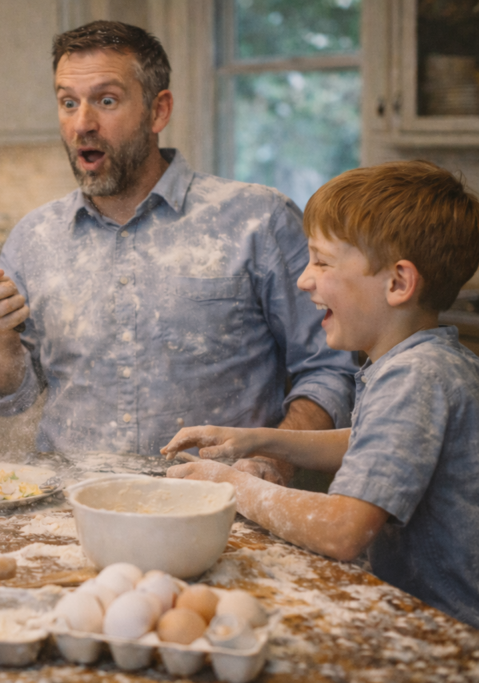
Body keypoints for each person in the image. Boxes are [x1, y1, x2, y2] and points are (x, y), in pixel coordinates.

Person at [0, 21, 357, 480]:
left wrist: (269, 465)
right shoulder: (34, 238)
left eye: (106, 101)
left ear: (158, 110)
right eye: (68, 102)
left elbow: (331, 370)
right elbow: (10, 397)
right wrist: (0, 336)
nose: (82, 123)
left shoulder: (258, 220)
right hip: (72, 510)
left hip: (223, 507)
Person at [162, 160, 479, 628]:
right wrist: (257, 438)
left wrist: (230, 484)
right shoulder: (417, 362)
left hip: (448, 634)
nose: (304, 279)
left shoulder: (416, 376)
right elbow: (371, 444)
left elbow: (343, 531)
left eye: (322, 261)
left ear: (398, 283)